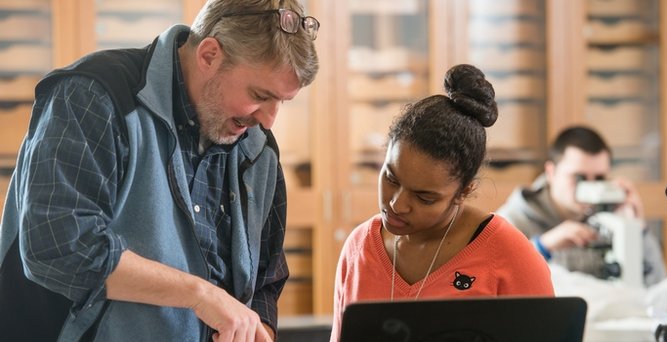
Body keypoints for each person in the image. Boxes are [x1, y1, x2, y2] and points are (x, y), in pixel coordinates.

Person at [0, 0, 319, 341]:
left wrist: (259, 332)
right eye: (260, 95)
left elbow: (265, 279)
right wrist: (200, 295)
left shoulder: (258, 147)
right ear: (209, 55)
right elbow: (58, 247)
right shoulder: (94, 95)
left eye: (282, 101)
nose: (269, 120)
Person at [330, 64, 555, 341]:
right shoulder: (360, 247)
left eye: (424, 197)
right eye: (391, 178)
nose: (397, 204)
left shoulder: (510, 256)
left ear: (464, 191)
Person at [497, 126, 667, 287]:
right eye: (579, 178)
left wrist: (638, 231)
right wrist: (543, 247)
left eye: (599, 178)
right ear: (551, 173)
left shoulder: (611, 216)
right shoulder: (513, 219)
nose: (590, 187)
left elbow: (658, 285)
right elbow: (495, 281)